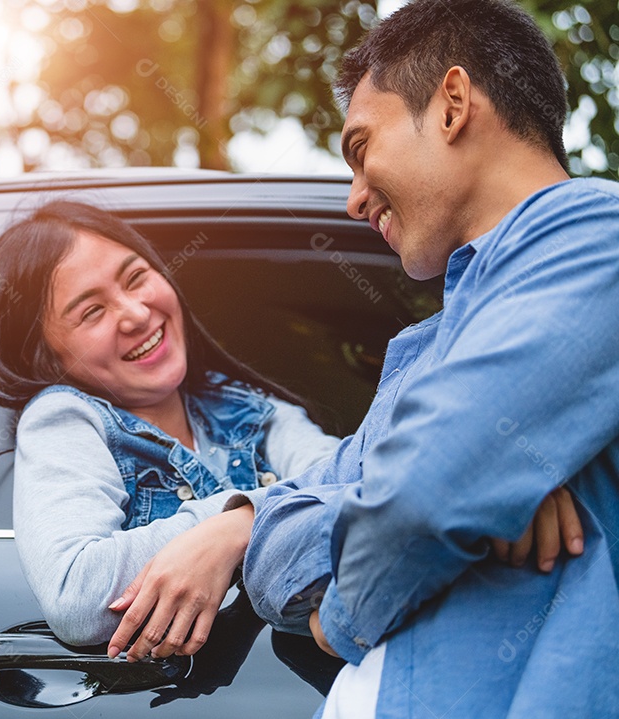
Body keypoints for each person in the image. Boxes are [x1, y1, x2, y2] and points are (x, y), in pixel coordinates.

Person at [110, 0, 619, 716]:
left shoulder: (598, 237)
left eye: (359, 148)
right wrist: (249, 520)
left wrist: (343, 610)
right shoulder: (435, 347)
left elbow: (420, 493)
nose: (353, 199)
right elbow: (285, 545)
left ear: (451, 104)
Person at [0, 200, 341, 647]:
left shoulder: (249, 407)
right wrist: (241, 520)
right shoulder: (66, 420)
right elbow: (78, 595)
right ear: (46, 355)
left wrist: (236, 528)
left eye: (136, 278)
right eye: (91, 311)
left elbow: (358, 483)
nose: (137, 314)